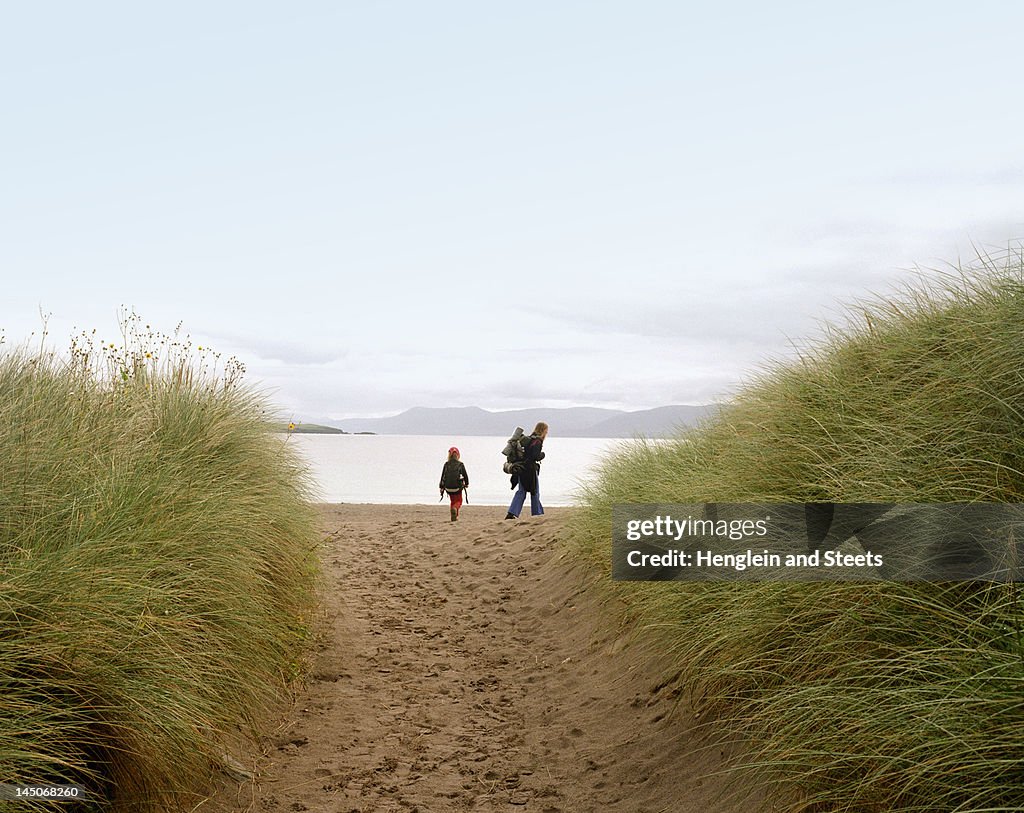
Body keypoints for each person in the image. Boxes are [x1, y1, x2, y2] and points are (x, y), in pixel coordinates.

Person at [505, 422, 547, 519]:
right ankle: (537, 513)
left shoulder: (528, 439)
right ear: (543, 431)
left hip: (521, 468)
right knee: (535, 491)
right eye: (546, 431)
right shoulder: (538, 441)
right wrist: (543, 455)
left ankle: (511, 513)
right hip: (530, 469)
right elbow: (535, 456)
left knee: (521, 491)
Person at [439, 447, 469, 521]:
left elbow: (443, 476)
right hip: (457, 487)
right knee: (459, 501)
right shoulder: (460, 464)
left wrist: (441, 487)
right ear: (458, 455)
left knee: (453, 500)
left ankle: (455, 516)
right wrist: (467, 483)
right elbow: (465, 475)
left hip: (448, 487)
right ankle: (455, 510)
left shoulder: (446, 464)